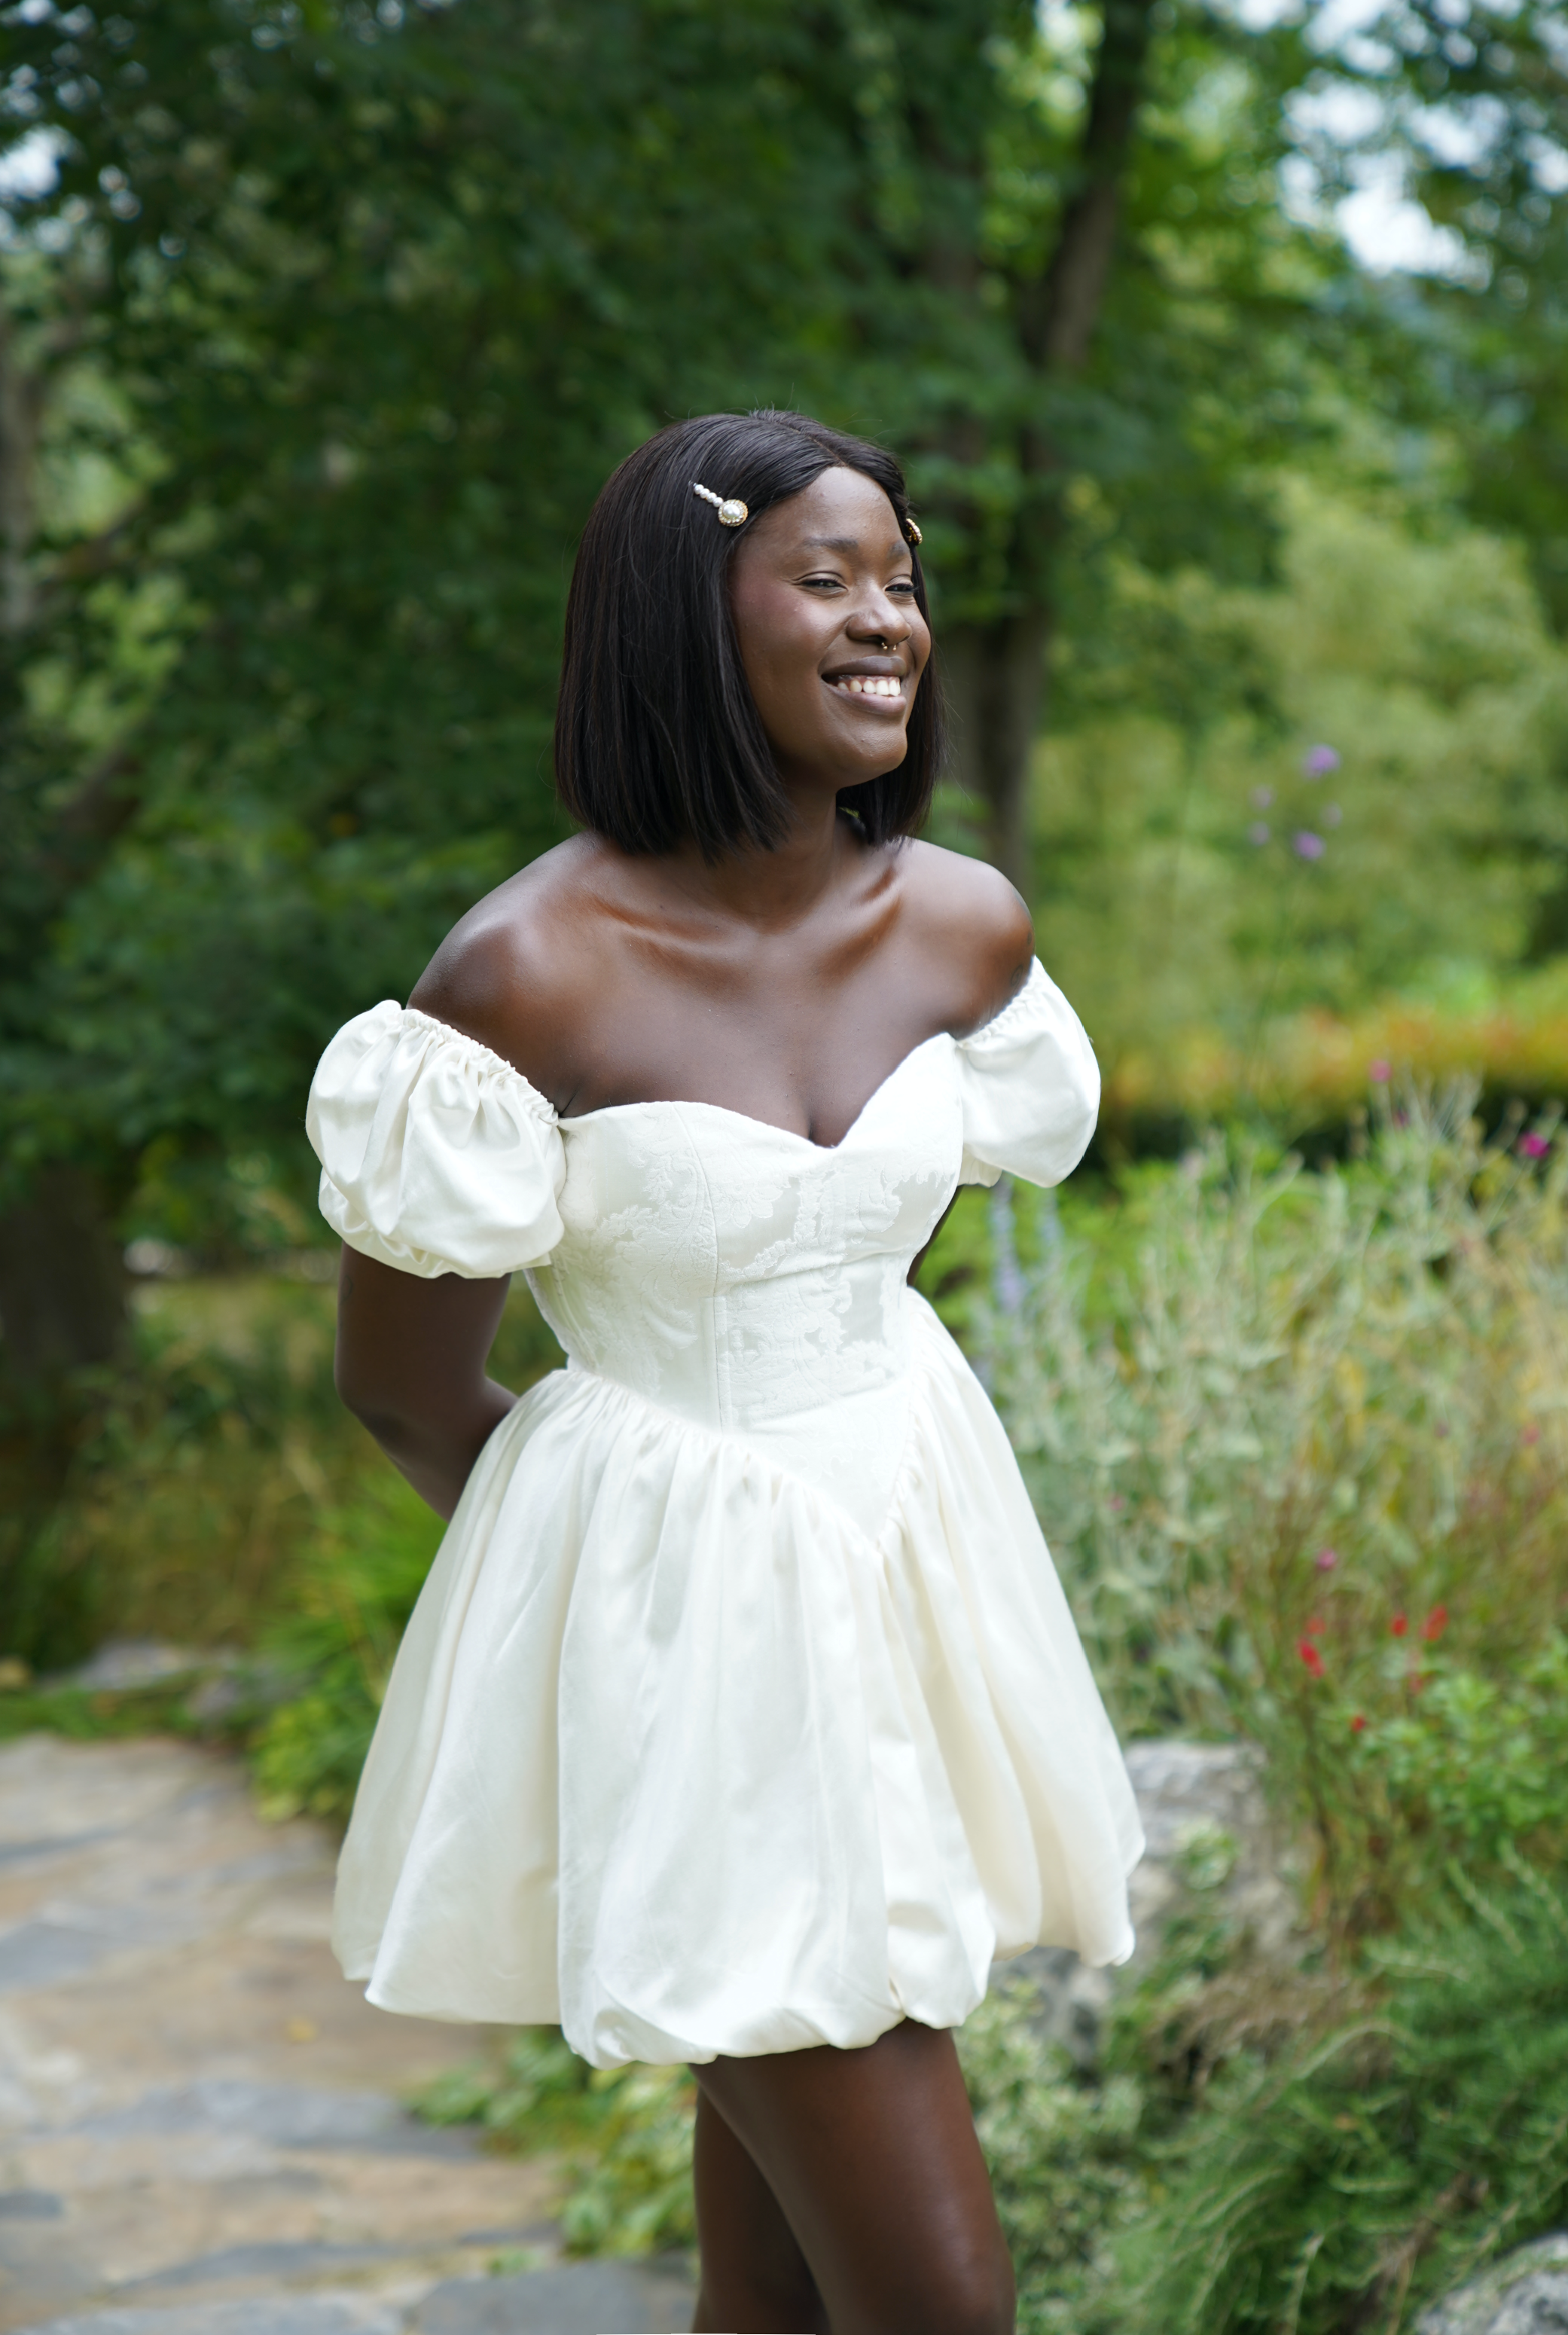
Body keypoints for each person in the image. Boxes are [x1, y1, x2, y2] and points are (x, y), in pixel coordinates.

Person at [306, 407, 1142, 2335]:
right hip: (694, 1648)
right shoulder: (523, 976)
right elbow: (406, 1384)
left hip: (916, 1574)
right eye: (827, 577)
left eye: (904, 580)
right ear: (691, 615)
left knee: (768, 2291)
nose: (889, 621)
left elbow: (857, 1256)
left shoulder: (962, 923)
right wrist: (631, 1617)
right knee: (946, 2309)